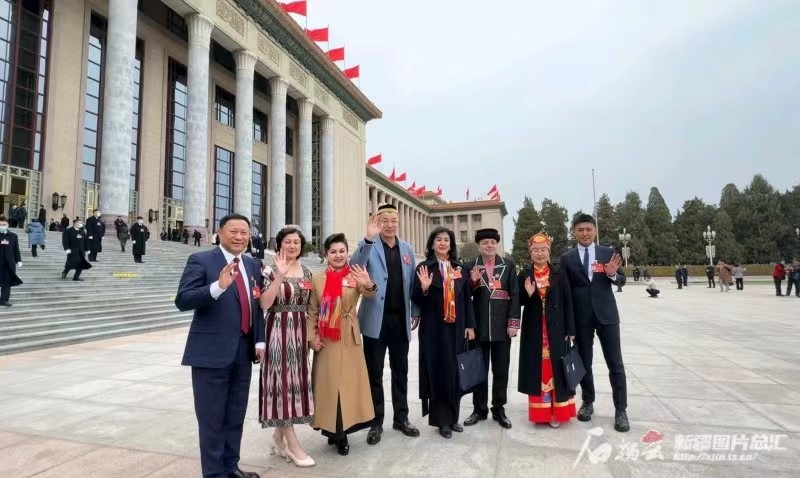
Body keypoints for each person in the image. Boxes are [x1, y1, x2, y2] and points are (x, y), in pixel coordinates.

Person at [175, 213, 264, 478]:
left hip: (243, 352)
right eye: (233, 231)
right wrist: (217, 287)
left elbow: (256, 304)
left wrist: (259, 339)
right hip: (211, 354)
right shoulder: (201, 260)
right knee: (212, 420)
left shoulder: (252, 265)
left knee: (235, 416)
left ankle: (230, 467)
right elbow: (183, 299)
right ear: (220, 232)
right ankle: (214, 474)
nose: (239, 237)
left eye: (244, 232)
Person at [349, 206, 420, 445]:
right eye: (384, 221)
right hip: (375, 320)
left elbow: (412, 284)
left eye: (393, 220)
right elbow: (354, 266)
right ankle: (375, 421)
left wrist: (415, 310)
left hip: (399, 320)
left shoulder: (407, 249)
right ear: (377, 223)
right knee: (374, 373)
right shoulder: (369, 244)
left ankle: (401, 418)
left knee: (401, 371)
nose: (390, 225)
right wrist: (368, 239)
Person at [307, 233, 377, 456]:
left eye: (341, 251)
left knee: (347, 387)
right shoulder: (318, 279)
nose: (338, 255)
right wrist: (311, 337)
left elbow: (369, 293)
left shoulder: (355, 274)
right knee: (329, 387)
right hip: (326, 338)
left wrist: (368, 283)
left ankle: (342, 434)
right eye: (333, 252)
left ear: (347, 253)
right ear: (326, 254)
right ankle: (331, 430)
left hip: (349, 336)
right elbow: (312, 311)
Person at [560, 214, 629, 432]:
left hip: (607, 316)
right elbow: (565, 292)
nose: (585, 233)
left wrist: (612, 275)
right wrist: (568, 324)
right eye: (580, 230)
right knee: (585, 363)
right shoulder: (567, 258)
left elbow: (622, 280)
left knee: (615, 364)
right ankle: (588, 402)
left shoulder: (607, 253)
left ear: (595, 231)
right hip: (581, 318)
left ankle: (621, 410)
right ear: (574, 232)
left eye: (589, 229)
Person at [258, 225, 315, 468]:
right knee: (280, 383)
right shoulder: (268, 270)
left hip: (300, 334)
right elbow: (264, 303)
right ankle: (292, 443)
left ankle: (277, 438)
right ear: (279, 244)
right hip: (277, 332)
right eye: (288, 241)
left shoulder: (308, 271)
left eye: (296, 242)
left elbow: (312, 306)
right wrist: (279, 275)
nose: (292, 246)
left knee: (295, 384)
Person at [412, 227, 476, 439]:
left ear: (451, 244)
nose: (442, 243)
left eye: (446, 240)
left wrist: (470, 325)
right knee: (438, 371)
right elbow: (415, 298)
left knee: (455, 371)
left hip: (457, 327)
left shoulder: (459, 268)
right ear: (432, 244)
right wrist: (424, 288)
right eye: (438, 239)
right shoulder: (424, 268)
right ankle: (442, 421)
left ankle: (453, 417)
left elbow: (466, 298)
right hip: (434, 328)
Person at [462, 228, 520, 430]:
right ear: (479, 245)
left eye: (493, 243)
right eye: (485, 243)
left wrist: (513, 322)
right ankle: (479, 409)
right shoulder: (470, 265)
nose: (489, 246)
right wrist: (473, 282)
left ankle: (498, 408)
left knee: (501, 370)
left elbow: (515, 294)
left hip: (502, 327)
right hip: (479, 327)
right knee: (479, 370)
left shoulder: (508, 265)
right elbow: (464, 296)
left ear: (497, 244)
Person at [517, 232, 576, 428]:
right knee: (539, 370)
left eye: (543, 250)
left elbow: (568, 301)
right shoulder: (525, 274)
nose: (540, 254)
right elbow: (517, 301)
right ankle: (541, 413)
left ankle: (557, 412)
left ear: (549, 251)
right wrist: (528, 294)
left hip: (557, 329)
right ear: (530, 253)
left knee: (557, 368)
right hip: (534, 330)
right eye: (536, 250)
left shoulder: (559, 273)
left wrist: (571, 329)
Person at [0, 216, 23, 307]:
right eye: (0, 225)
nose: (2, 226)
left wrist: (19, 260)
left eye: (4, 224)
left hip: (8, 263)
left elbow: (16, 249)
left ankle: (4, 300)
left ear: (7, 225)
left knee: (6, 282)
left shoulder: (13, 236)